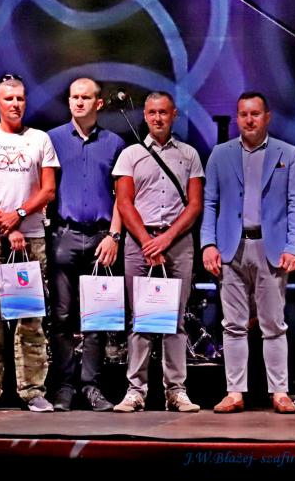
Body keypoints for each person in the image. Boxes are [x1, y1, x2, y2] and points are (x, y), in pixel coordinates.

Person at [201, 92, 295, 414]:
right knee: (233, 324)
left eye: (255, 114)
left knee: (273, 324)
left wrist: (294, 247)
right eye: (243, 114)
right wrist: (208, 244)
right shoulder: (220, 154)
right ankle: (234, 392)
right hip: (231, 248)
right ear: (237, 117)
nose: (249, 120)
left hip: (270, 248)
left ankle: (280, 392)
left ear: (267, 116)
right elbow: (209, 203)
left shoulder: (287, 153)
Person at [0, 73, 59, 413]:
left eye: (20, 98)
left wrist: (18, 214)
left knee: (30, 318)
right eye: (9, 98)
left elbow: (48, 190)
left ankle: (33, 390)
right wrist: (4, 223)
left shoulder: (39, 139)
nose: (15, 104)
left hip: (30, 238)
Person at [112, 91, 203, 413]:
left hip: (177, 243)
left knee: (175, 320)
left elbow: (195, 205)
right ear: (145, 116)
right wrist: (147, 241)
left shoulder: (189, 154)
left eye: (163, 112)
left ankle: (176, 391)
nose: (157, 118)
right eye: (152, 112)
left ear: (174, 114)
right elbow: (124, 203)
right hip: (139, 243)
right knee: (141, 319)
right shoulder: (130, 154)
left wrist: (165, 240)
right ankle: (135, 391)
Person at [46, 78, 125, 412]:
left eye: (86, 97)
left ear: (99, 103)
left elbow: (124, 196)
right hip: (63, 234)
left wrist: (114, 236)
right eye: (74, 97)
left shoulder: (115, 143)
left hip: (100, 237)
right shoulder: (51, 139)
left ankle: (91, 386)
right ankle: (64, 386)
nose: (79, 102)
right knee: (62, 316)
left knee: (97, 318)